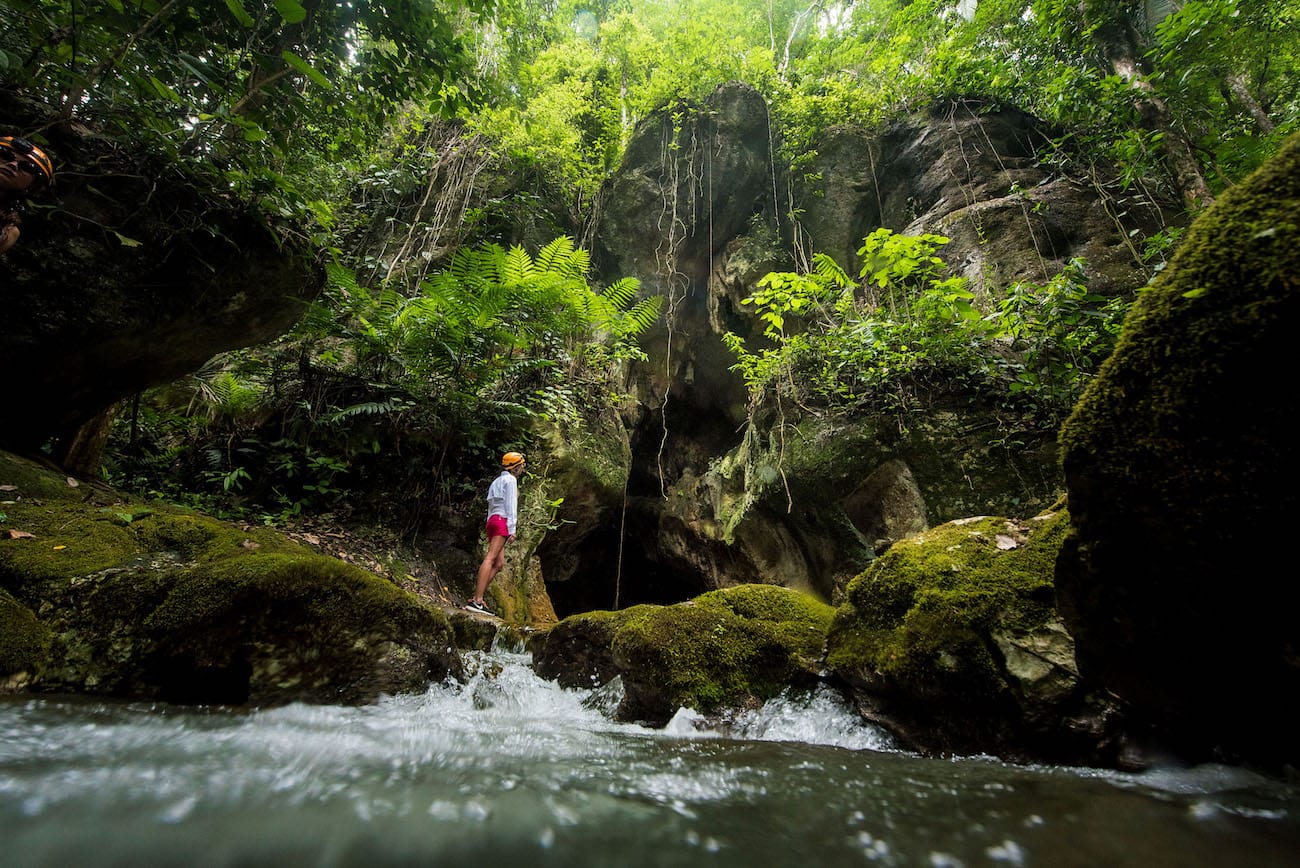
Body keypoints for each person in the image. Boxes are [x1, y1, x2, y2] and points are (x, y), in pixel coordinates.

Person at [466, 451, 526, 615]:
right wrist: (512, 528)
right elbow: (511, 506)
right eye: (522, 465)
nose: (523, 468)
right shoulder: (511, 480)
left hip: (492, 521)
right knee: (491, 558)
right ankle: (477, 600)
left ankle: (477, 598)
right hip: (502, 521)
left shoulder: (497, 481)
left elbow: (492, 505)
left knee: (499, 564)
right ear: (516, 466)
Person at [0, 135, 54, 256]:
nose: (13, 164)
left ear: (33, 185)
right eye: (5, 156)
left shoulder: (8, 230)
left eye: (26, 167)